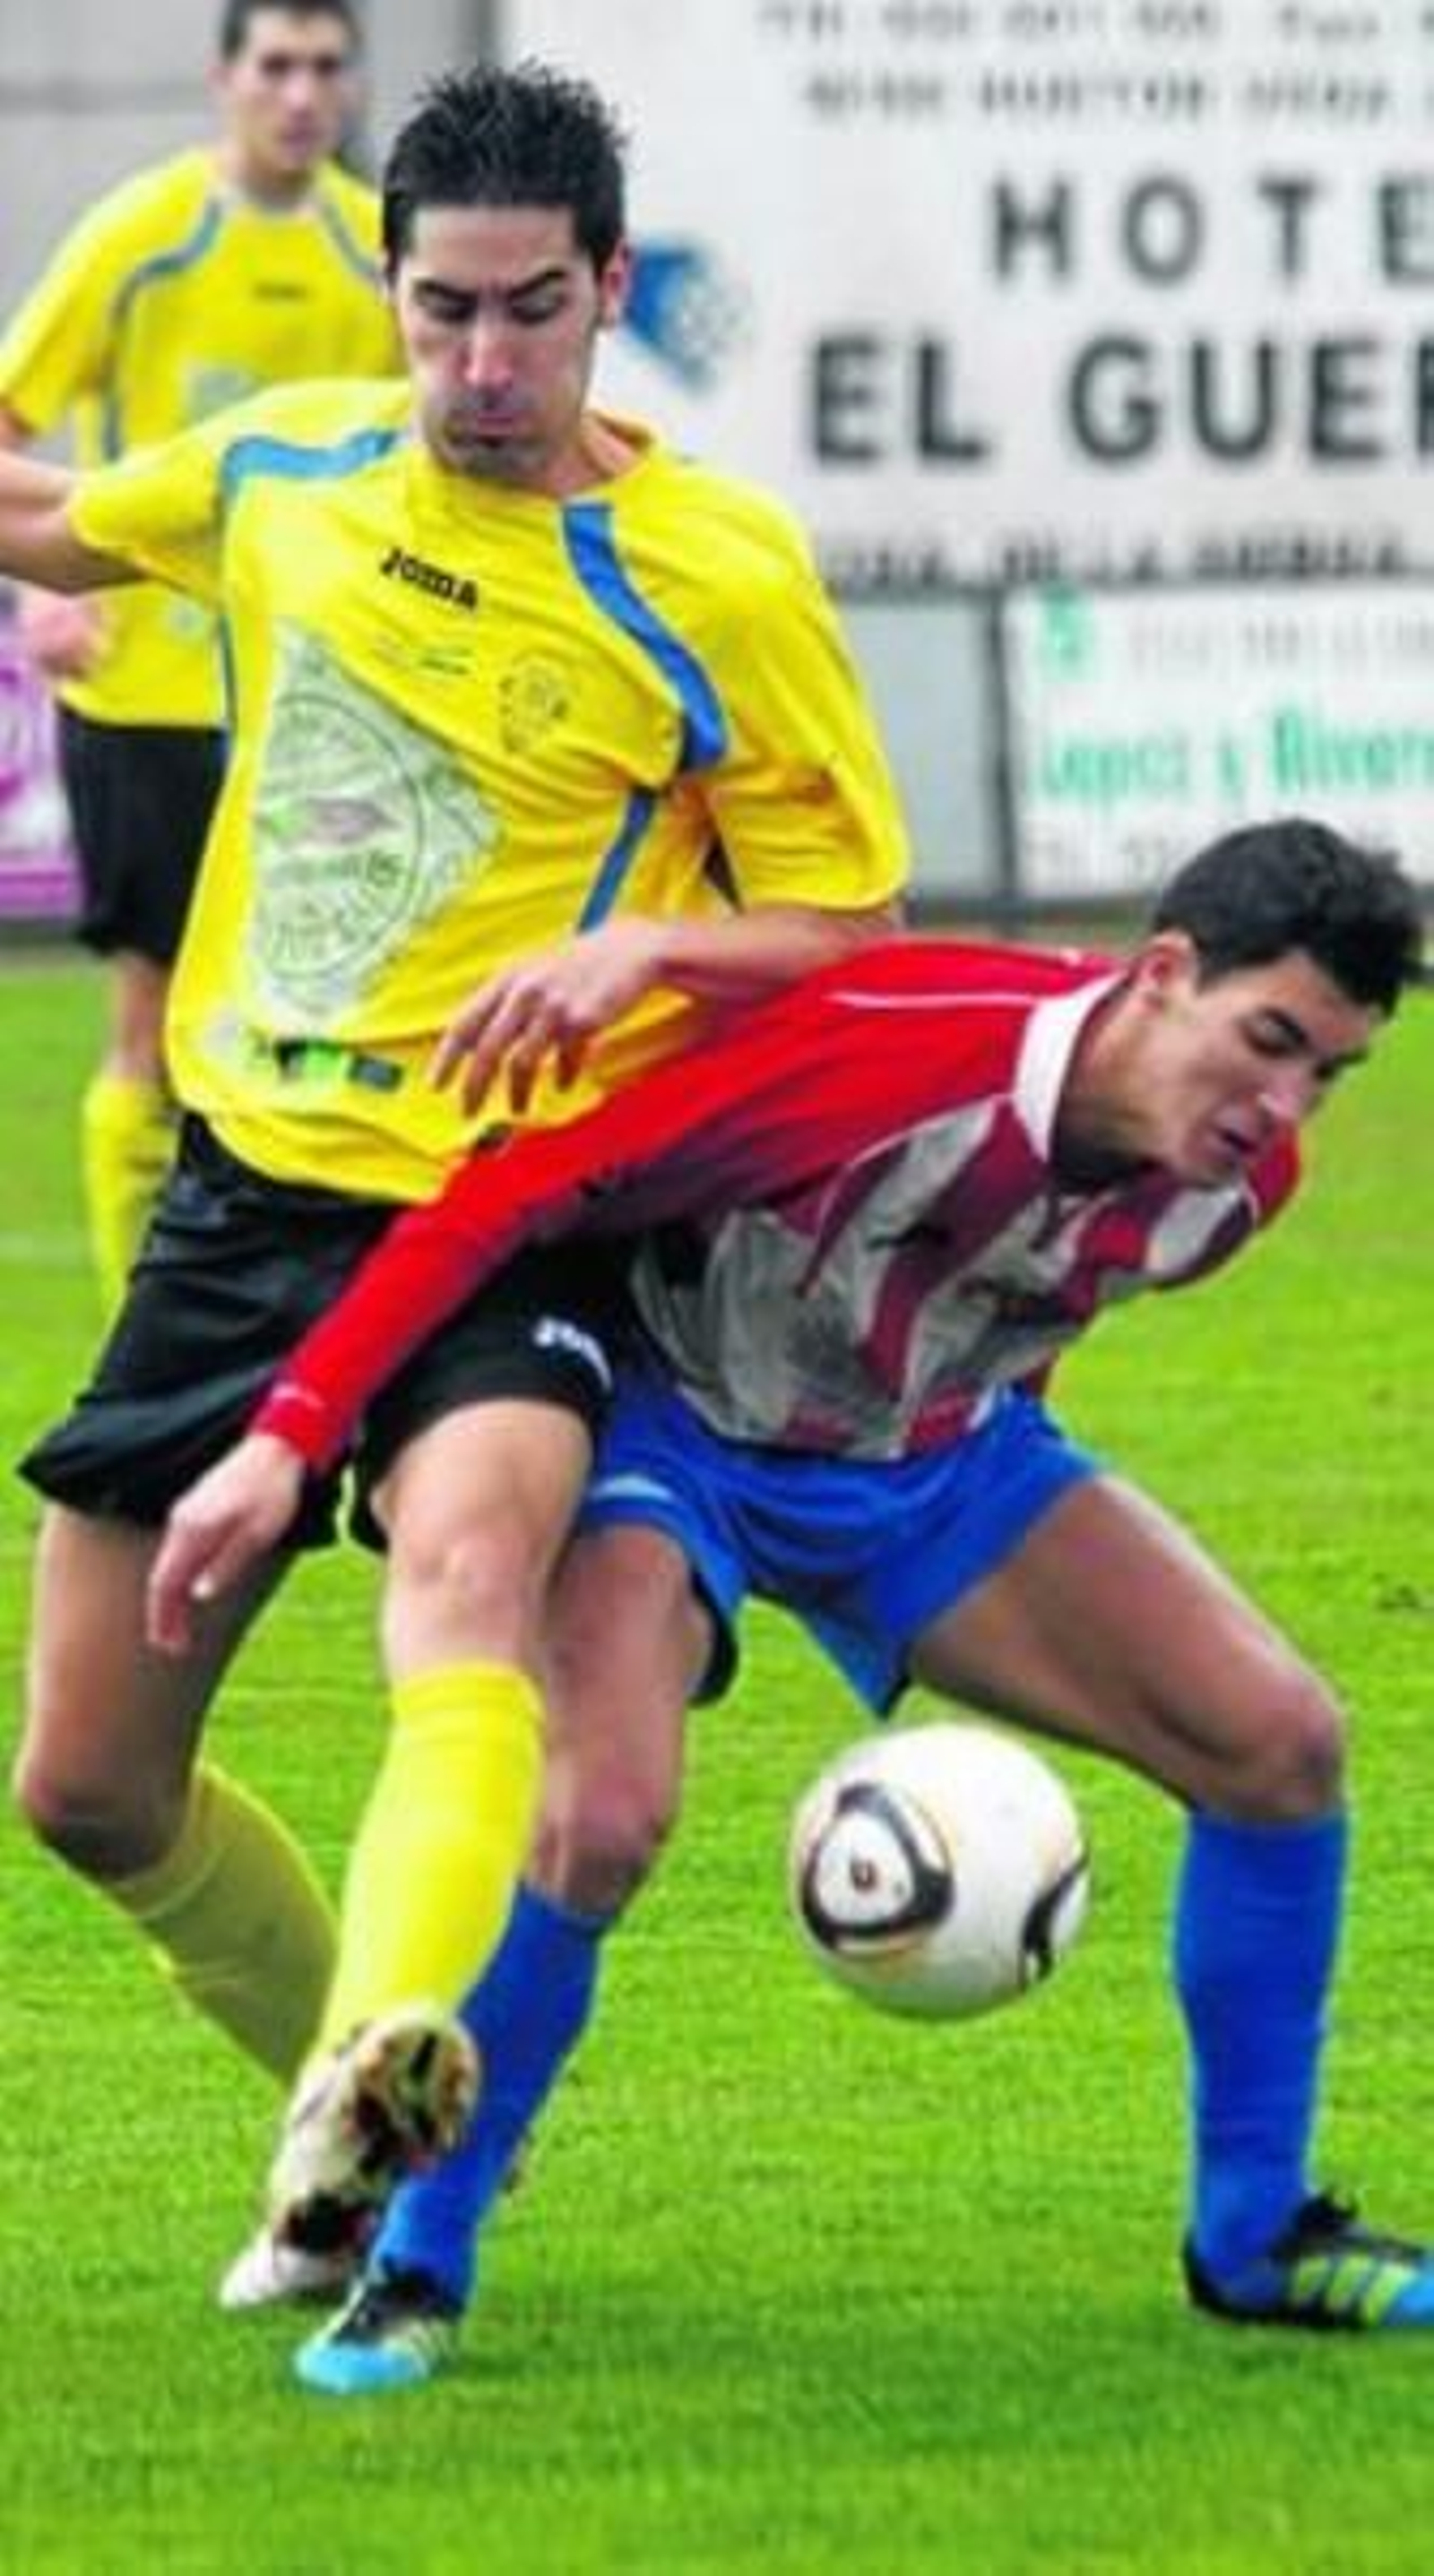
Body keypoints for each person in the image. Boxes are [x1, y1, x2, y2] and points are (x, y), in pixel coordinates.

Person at [146, 818, 1434, 2395]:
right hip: (675, 1432)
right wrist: (291, 1436)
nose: (1285, 1106)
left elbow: (1017, 1308)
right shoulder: (898, 1053)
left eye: (1332, 1073)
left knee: (1282, 1744)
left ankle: (1255, 2238)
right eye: (1272, 1043)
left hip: (932, 1463)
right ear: (1162, 976)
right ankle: (412, 2265)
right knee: (600, 1819)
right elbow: (516, 1196)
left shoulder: (1237, 1186)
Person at [6, 61, 907, 2305]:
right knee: (87, 1786)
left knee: (466, 1581)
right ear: (392, 299)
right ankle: (342, 2097)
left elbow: (850, 930)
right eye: (440, 316)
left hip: (510, 1213)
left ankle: (390, 2097)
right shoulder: (291, 467)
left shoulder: (714, 572)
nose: (480, 371)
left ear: (611, 292)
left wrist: (641, 945)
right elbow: (57, 518)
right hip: (241, 1200)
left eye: (529, 314)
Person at [0, 0, 397, 1315]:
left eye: (326, 68)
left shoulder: (374, 249)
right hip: (151, 698)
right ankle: (144, 1331)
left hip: (315, 707)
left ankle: (298, 1320)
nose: (300, 93)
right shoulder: (144, 233)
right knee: (152, 1028)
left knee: (319, 1040)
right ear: (225, 80)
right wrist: (30, 602)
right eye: (275, 66)